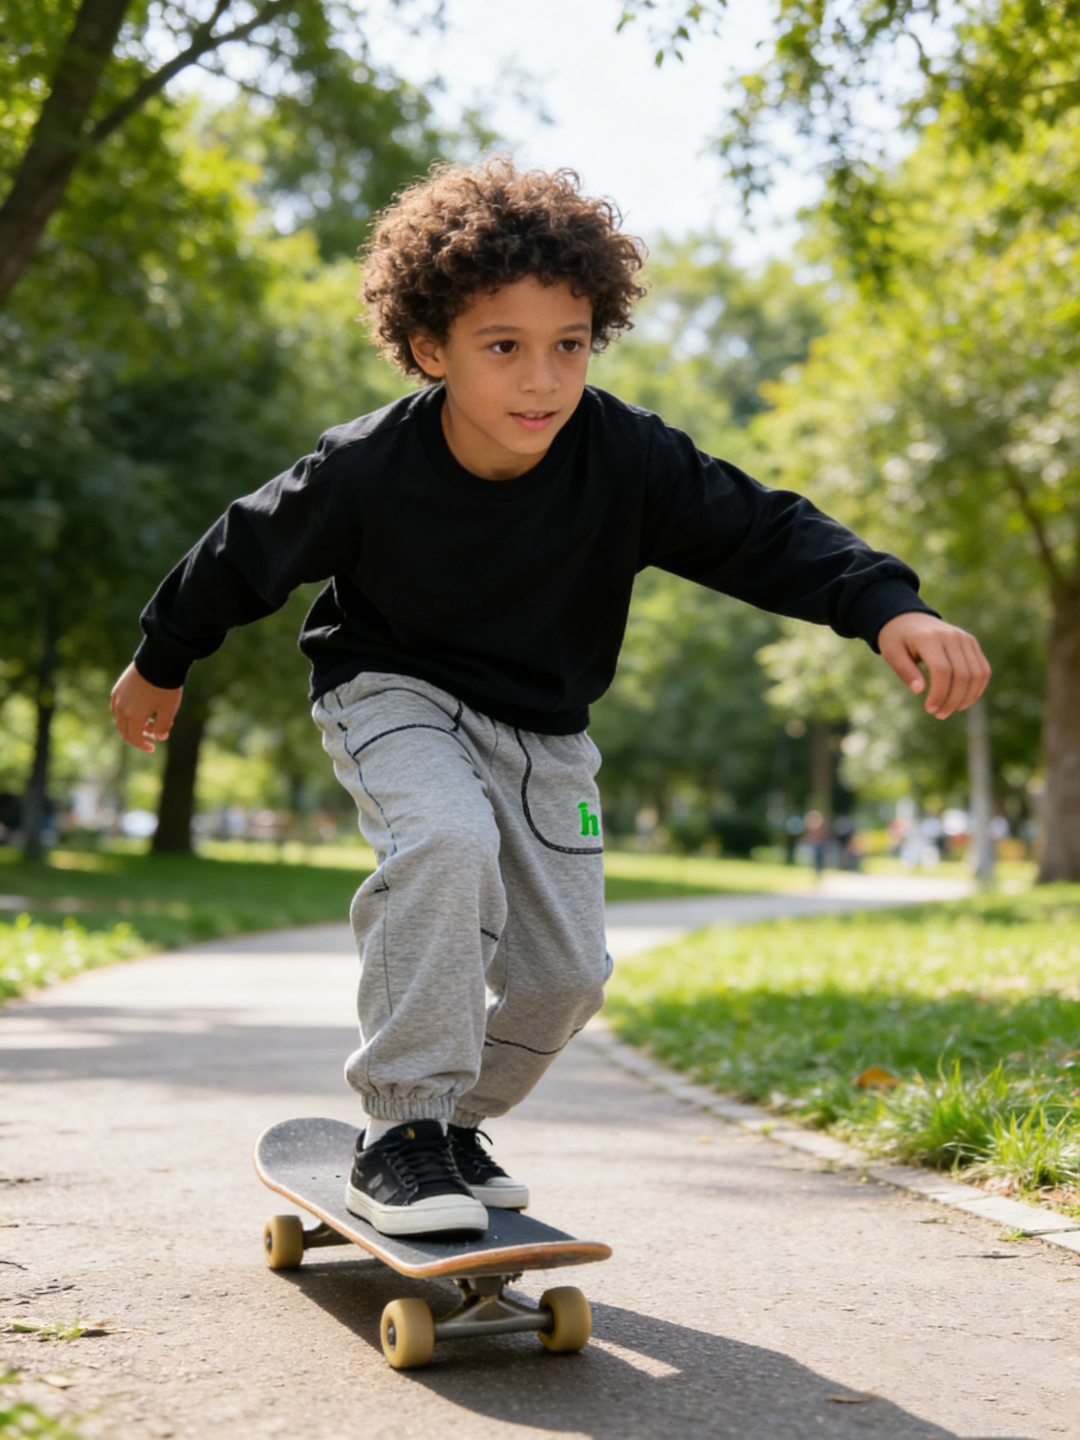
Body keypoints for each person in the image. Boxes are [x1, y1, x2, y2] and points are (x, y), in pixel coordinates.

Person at [110, 157, 991, 1238]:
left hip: (545, 727)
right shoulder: (367, 468)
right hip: (392, 688)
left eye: (569, 345)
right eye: (504, 348)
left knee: (568, 975)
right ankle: (400, 1127)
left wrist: (887, 606)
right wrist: (163, 658)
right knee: (444, 841)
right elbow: (243, 552)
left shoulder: (625, 455)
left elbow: (761, 530)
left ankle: (453, 1126)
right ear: (430, 349)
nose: (542, 381)